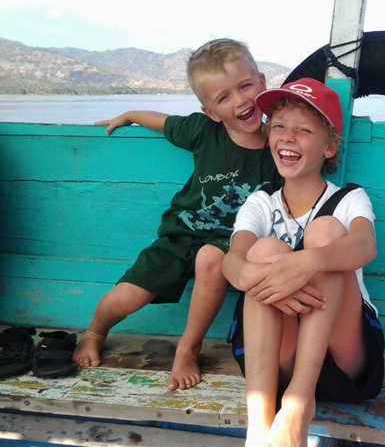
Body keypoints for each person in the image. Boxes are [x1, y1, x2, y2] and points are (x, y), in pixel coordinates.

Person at [72, 38, 287, 391]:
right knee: (125, 298)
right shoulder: (203, 131)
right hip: (181, 233)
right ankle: (95, 332)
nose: (240, 100)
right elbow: (163, 122)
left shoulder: (279, 146)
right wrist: (128, 115)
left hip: (233, 243)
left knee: (210, 259)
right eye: (224, 98)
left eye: (246, 86)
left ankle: (188, 349)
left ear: (262, 83)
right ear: (211, 112)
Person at [222, 78, 385, 447]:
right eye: (279, 126)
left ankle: (299, 403)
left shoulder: (349, 199)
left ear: (329, 147)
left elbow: (365, 245)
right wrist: (253, 274)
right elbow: (232, 260)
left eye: (304, 130)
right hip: (277, 357)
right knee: (263, 250)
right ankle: (260, 424)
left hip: (344, 357)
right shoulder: (261, 202)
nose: (287, 137)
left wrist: (309, 263)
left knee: (326, 232)